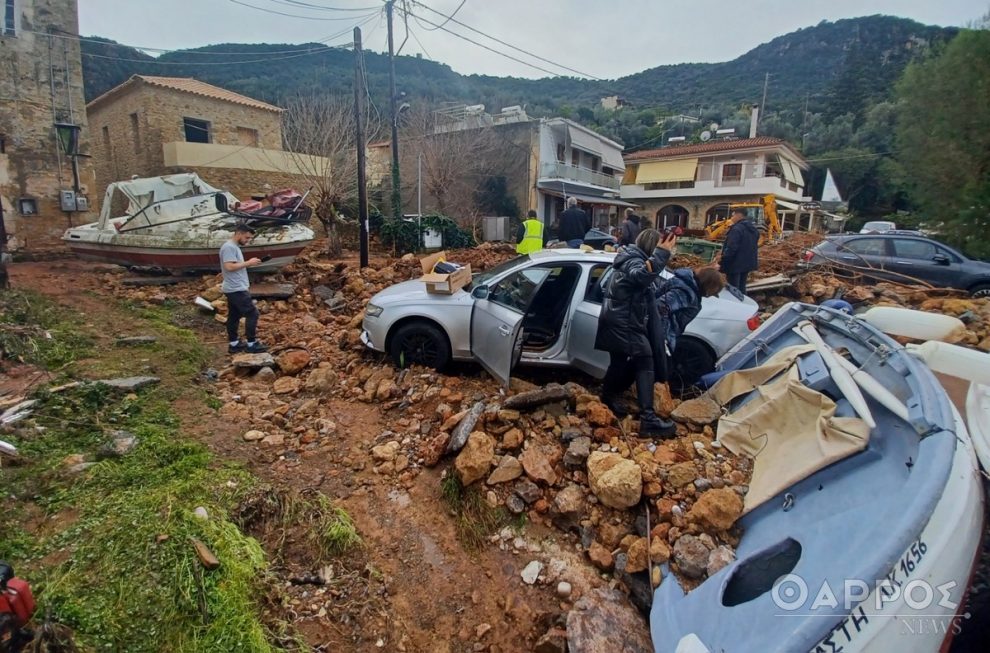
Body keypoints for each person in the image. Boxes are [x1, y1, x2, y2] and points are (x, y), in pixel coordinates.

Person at [595, 228, 678, 438]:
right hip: (624, 323)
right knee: (646, 360)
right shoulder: (635, 261)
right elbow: (641, 277)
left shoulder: (631, 257)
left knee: (619, 361)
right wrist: (662, 253)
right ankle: (648, 420)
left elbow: (641, 286)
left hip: (616, 318)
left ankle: (608, 397)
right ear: (653, 248)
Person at [220, 223, 267, 354]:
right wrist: (248, 263)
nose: (248, 241)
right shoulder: (229, 247)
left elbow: (235, 266)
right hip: (236, 289)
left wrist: (249, 264)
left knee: (234, 315)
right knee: (253, 313)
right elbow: (229, 266)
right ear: (239, 233)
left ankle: (234, 344)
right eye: (247, 238)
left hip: (233, 287)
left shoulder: (233, 247)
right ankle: (252, 344)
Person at [719, 208, 759, 294]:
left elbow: (732, 247)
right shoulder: (754, 229)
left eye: (733, 215)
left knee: (733, 289)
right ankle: (744, 304)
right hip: (747, 263)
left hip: (735, 264)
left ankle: (734, 306)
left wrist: (723, 261)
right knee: (742, 286)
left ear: (739, 215)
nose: (732, 218)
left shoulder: (737, 229)